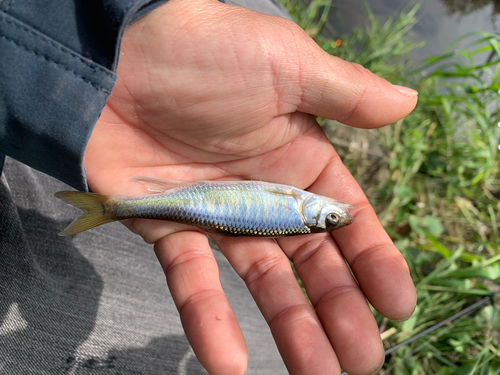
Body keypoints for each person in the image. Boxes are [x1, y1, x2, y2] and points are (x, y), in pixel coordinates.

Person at [0, 0, 418, 374]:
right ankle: (110, 207)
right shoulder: (298, 209)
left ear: (310, 214)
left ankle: (111, 207)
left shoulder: (297, 208)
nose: (336, 212)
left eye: (330, 218)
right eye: (331, 216)